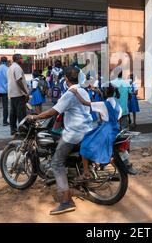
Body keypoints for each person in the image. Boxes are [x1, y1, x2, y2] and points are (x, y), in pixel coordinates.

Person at [27, 66, 93, 215]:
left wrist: (35, 116)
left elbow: (53, 111)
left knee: (57, 163)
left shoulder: (70, 93)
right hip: (87, 130)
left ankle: (66, 201)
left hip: (74, 133)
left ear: (66, 79)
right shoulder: (83, 90)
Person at [69, 84, 122, 181]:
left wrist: (75, 92)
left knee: (85, 145)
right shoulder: (118, 105)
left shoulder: (103, 104)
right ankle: (96, 163)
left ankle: (86, 173)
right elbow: (117, 119)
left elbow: (85, 103)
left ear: (105, 93)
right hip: (115, 129)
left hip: (106, 129)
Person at [8, 54, 29, 136]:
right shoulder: (17, 67)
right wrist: (25, 92)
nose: (23, 60)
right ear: (18, 59)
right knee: (21, 114)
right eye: (21, 58)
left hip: (12, 93)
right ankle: (22, 131)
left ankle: (13, 129)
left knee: (13, 113)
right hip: (18, 94)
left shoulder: (11, 67)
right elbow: (19, 81)